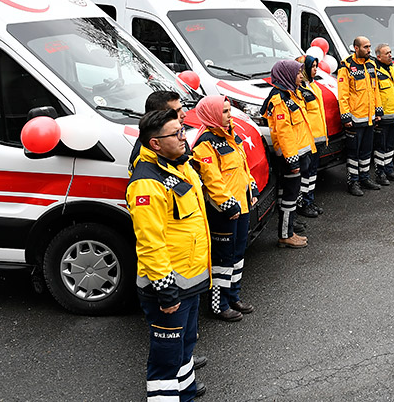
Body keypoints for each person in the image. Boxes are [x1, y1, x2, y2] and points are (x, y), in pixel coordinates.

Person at [128, 109, 211, 402]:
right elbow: (150, 243)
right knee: (167, 352)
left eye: (183, 130)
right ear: (155, 144)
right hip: (169, 287)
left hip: (190, 280)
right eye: (176, 133)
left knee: (186, 343)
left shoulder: (179, 166)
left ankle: (185, 389)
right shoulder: (146, 183)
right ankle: (164, 396)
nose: (183, 137)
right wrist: (166, 293)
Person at [190, 96, 258, 322]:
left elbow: (242, 166)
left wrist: (252, 188)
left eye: (229, 111)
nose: (230, 116)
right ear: (211, 114)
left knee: (238, 254)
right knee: (223, 258)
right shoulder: (205, 144)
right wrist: (228, 205)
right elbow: (212, 179)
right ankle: (218, 304)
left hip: (242, 204)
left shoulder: (231, 136)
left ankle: (233, 295)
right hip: (224, 211)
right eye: (225, 112)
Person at [262, 60, 314, 247]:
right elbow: (283, 133)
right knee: (289, 197)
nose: (301, 76)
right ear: (286, 75)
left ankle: (289, 229)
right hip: (291, 158)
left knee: (290, 195)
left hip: (298, 154)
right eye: (298, 73)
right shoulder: (279, 99)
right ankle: (286, 235)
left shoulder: (290, 94)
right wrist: (292, 161)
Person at [338, 36, 382, 196]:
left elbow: (375, 89)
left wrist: (378, 111)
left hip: (369, 118)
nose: (369, 50)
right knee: (353, 154)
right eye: (366, 47)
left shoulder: (371, 65)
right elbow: (343, 94)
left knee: (366, 152)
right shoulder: (346, 67)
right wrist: (346, 116)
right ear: (356, 48)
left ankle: (365, 178)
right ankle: (353, 182)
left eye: (370, 46)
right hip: (355, 119)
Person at [297, 56, 327, 216]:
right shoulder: (300, 90)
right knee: (306, 173)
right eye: (312, 66)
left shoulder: (313, 86)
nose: (315, 69)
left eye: (316, 66)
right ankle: (303, 203)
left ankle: (310, 200)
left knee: (313, 172)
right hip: (309, 140)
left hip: (318, 138)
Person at [374, 43, 394, 185]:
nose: (390, 55)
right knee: (381, 147)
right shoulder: (375, 71)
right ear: (378, 56)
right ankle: (380, 173)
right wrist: (377, 112)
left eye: (390, 52)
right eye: (386, 53)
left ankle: (389, 170)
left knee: (390, 146)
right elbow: (375, 94)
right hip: (383, 117)